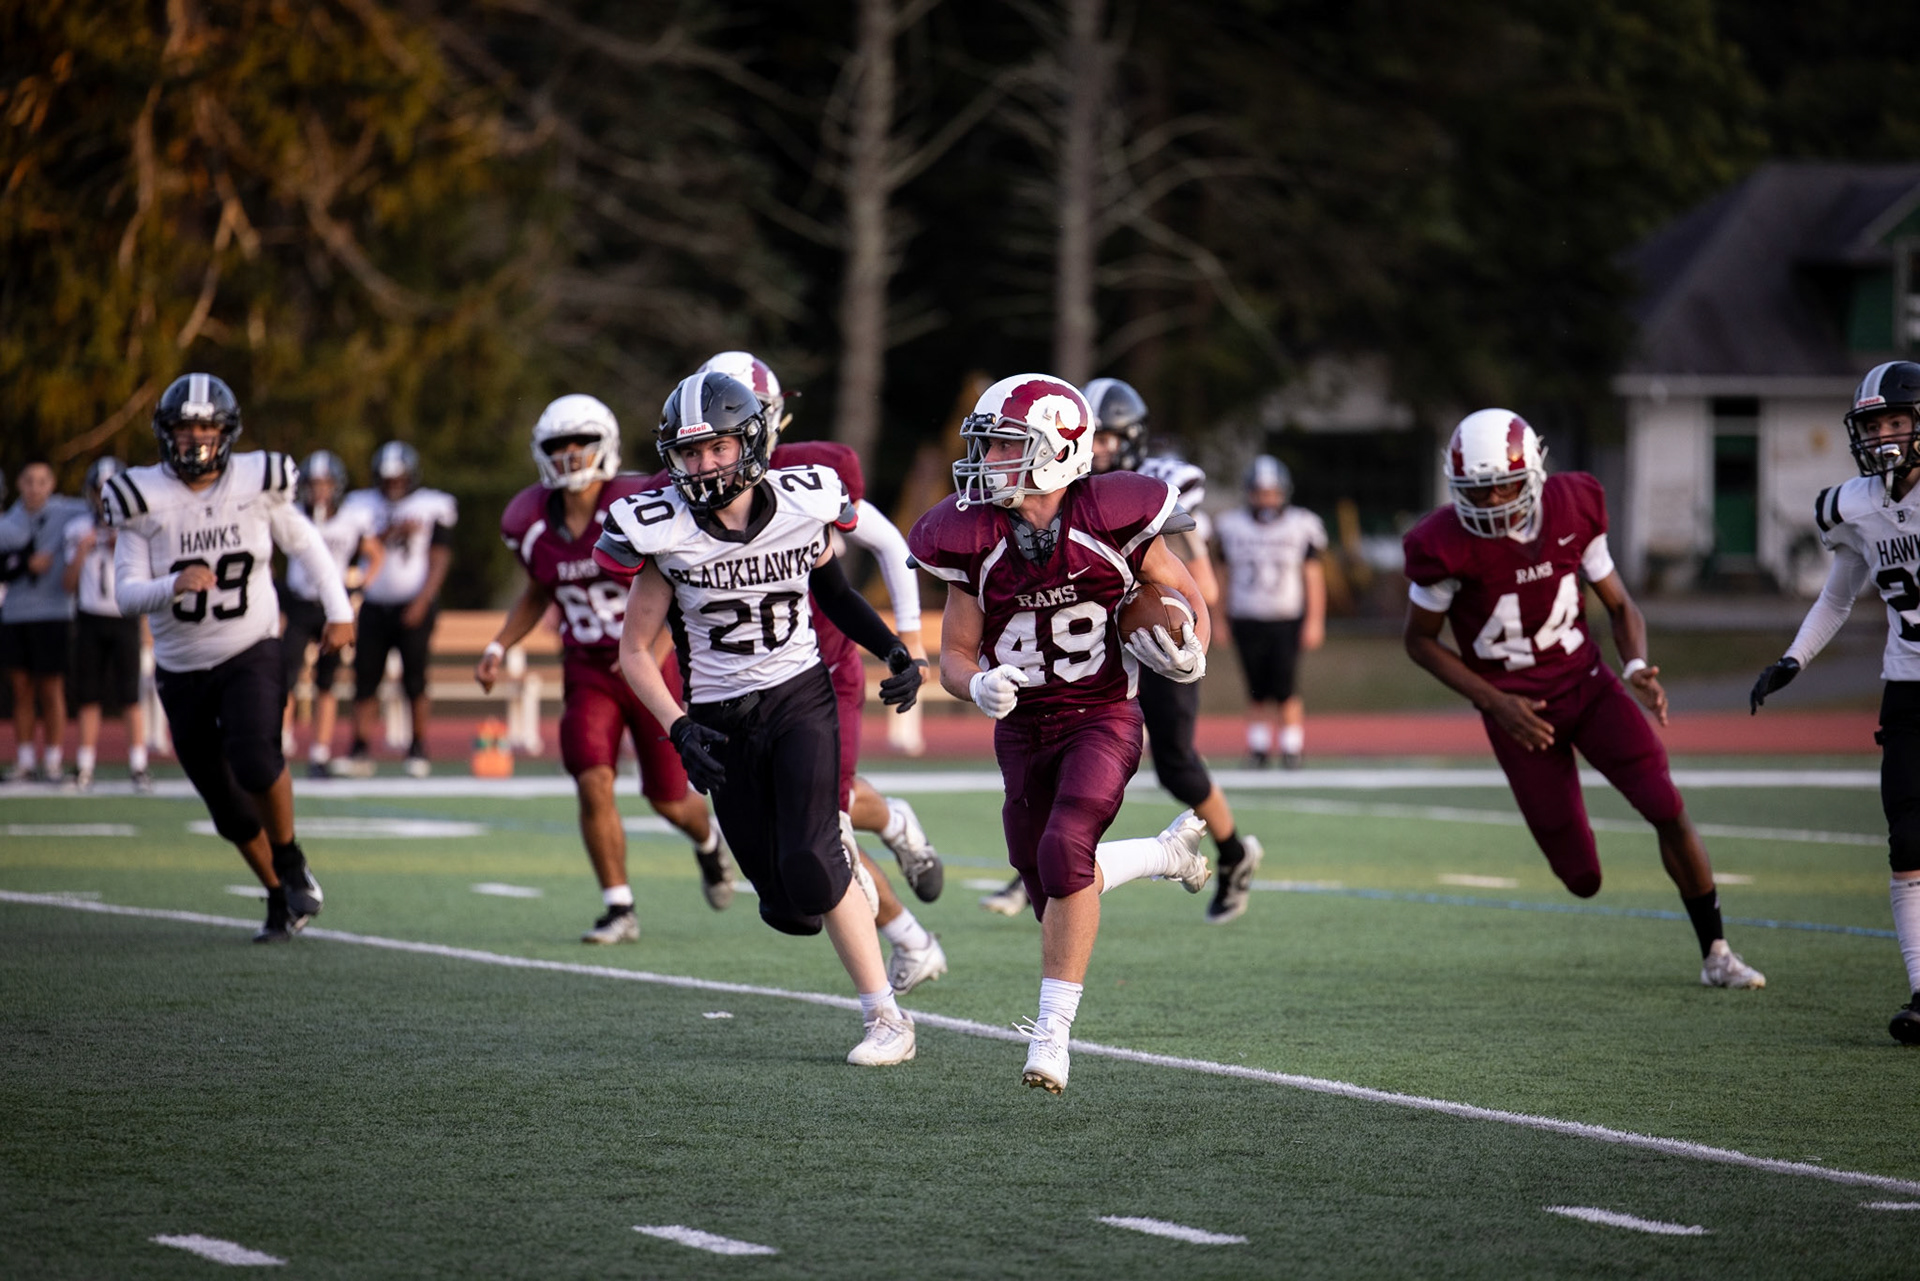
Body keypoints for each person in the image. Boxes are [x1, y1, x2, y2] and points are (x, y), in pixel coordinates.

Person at [595, 370, 927, 1067]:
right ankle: (841, 869)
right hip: (719, 718)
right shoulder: (662, 529)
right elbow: (634, 652)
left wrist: (894, 648)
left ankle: (886, 1018)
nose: (704, 465)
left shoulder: (805, 502)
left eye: (717, 447)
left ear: (749, 442)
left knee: (813, 864)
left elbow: (835, 595)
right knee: (789, 909)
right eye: (690, 452)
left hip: (799, 697)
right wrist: (678, 726)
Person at [909, 373, 1214, 1094]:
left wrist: (1192, 645)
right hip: (1022, 728)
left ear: (1058, 450)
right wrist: (975, 684)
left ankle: (1051, 1036)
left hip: (1102, 714)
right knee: (1042, 873)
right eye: (985, 446)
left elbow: (1183, 593)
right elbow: (954, 656)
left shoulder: (1111, 512)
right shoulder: (971, 534)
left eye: (1003, 446)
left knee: (1065, 845)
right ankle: (1163, 853)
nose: (986, 461)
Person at [1402, 408, 1763, 988]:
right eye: (1476, 490)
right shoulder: (1441, 544)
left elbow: (1620, 605)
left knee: (1665, 804)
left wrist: (1636, 665)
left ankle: (1717, 952)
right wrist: (1496, 703)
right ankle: (1609, 879)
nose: (1490, 502)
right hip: (1520, 715)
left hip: (1588, 686)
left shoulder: (1573, 507)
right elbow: (1418, 642)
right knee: (1582, 877)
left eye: (1503, 487)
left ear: (1533, 474)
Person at [693, 351, 947, 994]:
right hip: (746, 685)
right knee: (805, 837)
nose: (718, 450)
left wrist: (908, 644)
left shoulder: (809, 479)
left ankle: (909, 944)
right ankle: (894, 827)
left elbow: (888, 545)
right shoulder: (692, 491)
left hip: (821, 668)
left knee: (824, 826)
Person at [980, 378, 1265, 925]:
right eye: (1095, 436)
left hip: (1150, 636)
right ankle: (1038, 868)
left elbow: (1199, 581)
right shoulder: (1053, 483)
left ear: (1133, 438)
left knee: (1176, 765)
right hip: (1089, 645)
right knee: (1058, 761)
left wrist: (1170, 620)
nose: (1101, 448)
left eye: (1111, 437)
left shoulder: (1156, 486)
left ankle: (1231, 853)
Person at [479, 393, 737, 943]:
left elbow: (678, 581)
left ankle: (708, 841)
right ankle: (619, 905)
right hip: (589, 669)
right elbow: (539, 589)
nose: (570, 454)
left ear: (606, 446)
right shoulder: (530, 521)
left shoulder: (638, 503)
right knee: (592, 777)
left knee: (670, 800)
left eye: (582, 442)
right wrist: (499, 645)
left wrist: (655, 652)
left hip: (651, 665)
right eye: (559, 445)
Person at [106, 372, 351, 942]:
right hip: (181, 664)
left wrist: (339, 609)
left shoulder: (258, 481)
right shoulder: (141, 496)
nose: (195, 440)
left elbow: (306, 544)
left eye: (206, 428)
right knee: (227, 805)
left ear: (227, 433)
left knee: (256, 759)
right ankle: (278, 897)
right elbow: (126, 595)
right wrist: (171, 586)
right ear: (166, 433)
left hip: (250, 646)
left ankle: (289, 859)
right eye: (184, 428)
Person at [1752, 361, 1920, 1039]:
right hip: (1906, 683)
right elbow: (1838, 594)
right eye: (1874, 425)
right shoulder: (1853, 507)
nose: (1884, 436)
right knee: (1907, 840)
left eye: (1897, 421)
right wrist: (1794, 658)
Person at [339, 442, 456, 777]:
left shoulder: (432, 505)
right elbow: (349, 548)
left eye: (399, 479)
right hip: (373, 604)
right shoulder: (361, 505)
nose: (393, 486)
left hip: (414, 602)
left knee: (415, 679)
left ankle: (418, 747)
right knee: (365, 678)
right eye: (388, 479)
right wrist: (393, 530)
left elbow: (440, 557)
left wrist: (422, 600)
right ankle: (360, 748)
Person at [1213, 455, 1325, 768]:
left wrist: (1315, 620)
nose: (1266, 499)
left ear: (1284, 493)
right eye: (1261, 493)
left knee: (1286, 687)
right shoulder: (1231, 526)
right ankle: (1259, 748)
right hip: (1245, 616)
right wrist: (1217, 618)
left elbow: (1313, 577)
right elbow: (1221, 576)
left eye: (1272, 493)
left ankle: (1291, 748)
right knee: (1255, 688)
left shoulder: (1301, 525)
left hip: (1285, 617)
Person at [280, 450, 382, 778]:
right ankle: (279, 745)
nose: (320, 491)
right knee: (286, 677)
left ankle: (320, 752)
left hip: (332, 608)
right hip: (298, 604)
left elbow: (375, 553)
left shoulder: (351, 519)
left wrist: (360, 586)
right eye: (314, 484)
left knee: (327, 682)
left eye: (325, 484)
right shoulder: (293, 515)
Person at [61, 457, 153, 792]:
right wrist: (82, 552)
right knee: (88, 695)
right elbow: (67, 584)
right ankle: (85, 765)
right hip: (89, 619)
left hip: (125, 616)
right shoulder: (77, 529)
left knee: (130, 696)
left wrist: (121, 548)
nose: (104, 500)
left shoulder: (137, 529)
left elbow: (149, 579)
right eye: (100, 492)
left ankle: (138, 765)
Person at [0, 461, 87, 783]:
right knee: (21, 690)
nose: (35, 488)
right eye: (28, 481)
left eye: (41, 481)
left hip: (54, 613)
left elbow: (103, 509)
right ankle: (24, 760)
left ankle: (52, 761)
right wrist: (25, 564)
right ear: (19, 484)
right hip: (16, 613)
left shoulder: (69, 512)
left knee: (51, 689)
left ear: (51, 484)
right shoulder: (8, 523)